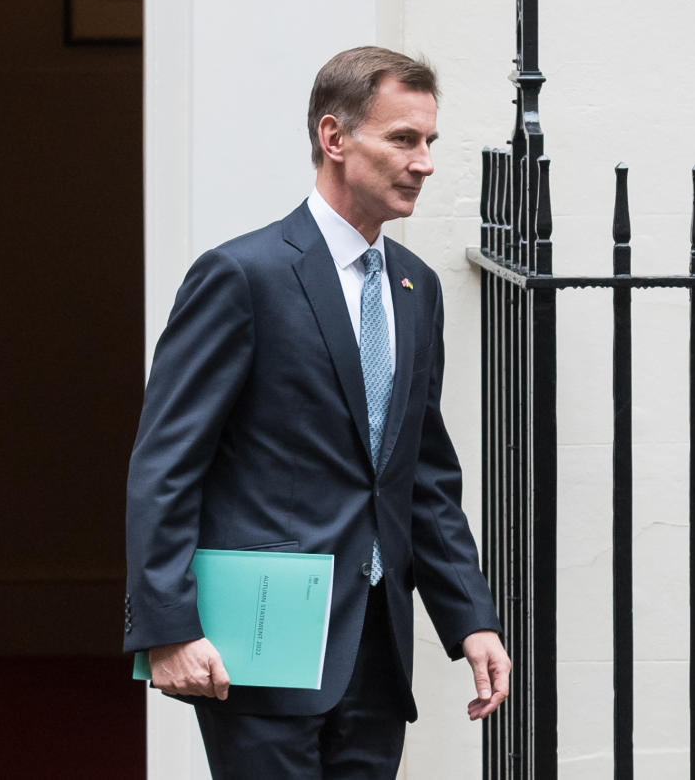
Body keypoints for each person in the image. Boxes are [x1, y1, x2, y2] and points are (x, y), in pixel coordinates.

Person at [125, 46, 509, 779]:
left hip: (377, 652)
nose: (424, 162)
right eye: (403, 139)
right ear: (335, 139)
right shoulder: (242, 275)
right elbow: (165, 466)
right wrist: (168, 628)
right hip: (264, 645)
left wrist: (471, 619)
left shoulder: (414, 288)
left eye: (429, 142)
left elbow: (421, 475)